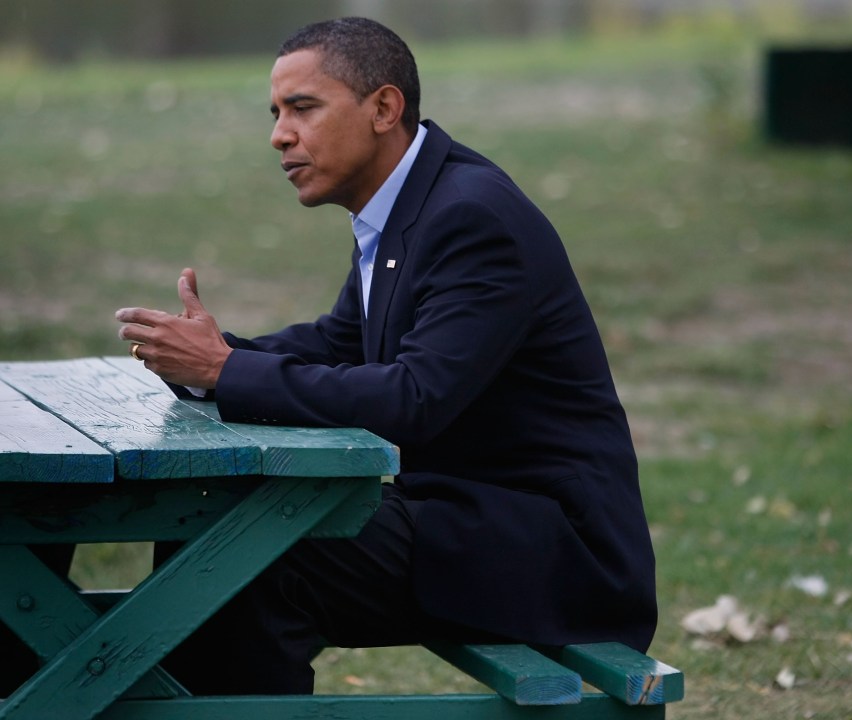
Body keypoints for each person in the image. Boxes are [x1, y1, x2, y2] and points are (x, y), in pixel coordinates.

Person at [115, 17, 656, 695]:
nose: (280, 134)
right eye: (276, 113)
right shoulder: (405, 206)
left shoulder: (471, 217)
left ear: (383, 108)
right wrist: (209, 356)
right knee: (209, 523)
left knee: (250, 556)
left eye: (303, 108)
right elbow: (339, 342)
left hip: (552, 553)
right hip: (464, 519)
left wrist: (224, 370)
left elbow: (413, 399)